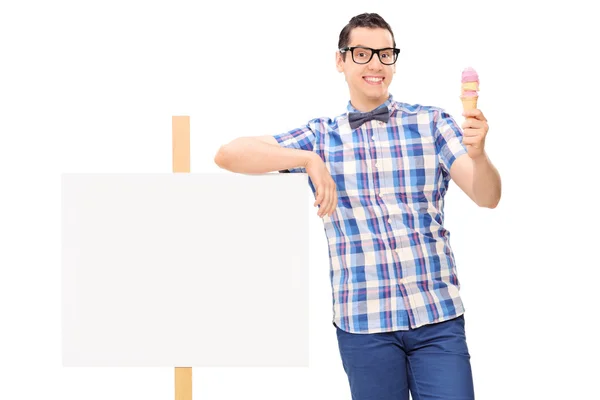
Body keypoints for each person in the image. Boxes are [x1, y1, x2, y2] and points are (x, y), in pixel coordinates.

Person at [214, 12, 501, 400]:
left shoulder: (433, 122)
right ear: (341, 61)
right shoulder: (321, 136)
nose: (375, 64)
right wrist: (308, 160)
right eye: (362, 53)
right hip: (364, 323)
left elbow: (487, 196)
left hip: (437, 316)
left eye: (385, 54)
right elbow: (229, 155)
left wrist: (479, 154)